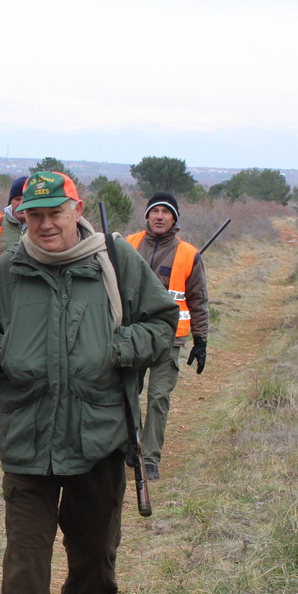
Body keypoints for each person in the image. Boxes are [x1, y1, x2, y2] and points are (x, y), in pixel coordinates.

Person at [0, 172, 177, 594]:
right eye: (35, 215)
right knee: (24, 559)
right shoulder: (7, 271)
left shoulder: (115, 260)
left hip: (99, 436)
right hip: (28, 439)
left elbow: (162, 320)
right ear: (21, 217)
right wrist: (4, 356)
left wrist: (119, 348)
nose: (46, 223)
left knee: (94, 547)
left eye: (56, 212)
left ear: (75, 208)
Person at [125, 192, 210, 481]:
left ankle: (150, 459)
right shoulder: (127, 245)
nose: (159, 216)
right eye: (154, 211)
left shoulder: (189, 254)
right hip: (132, 336)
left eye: (166, 212)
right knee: (127, 394)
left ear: (174, 219)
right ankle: (131, 447)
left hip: (168, 338)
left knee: (158, 397)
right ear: (147, 216)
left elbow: (198, 301)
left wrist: (201, 341)